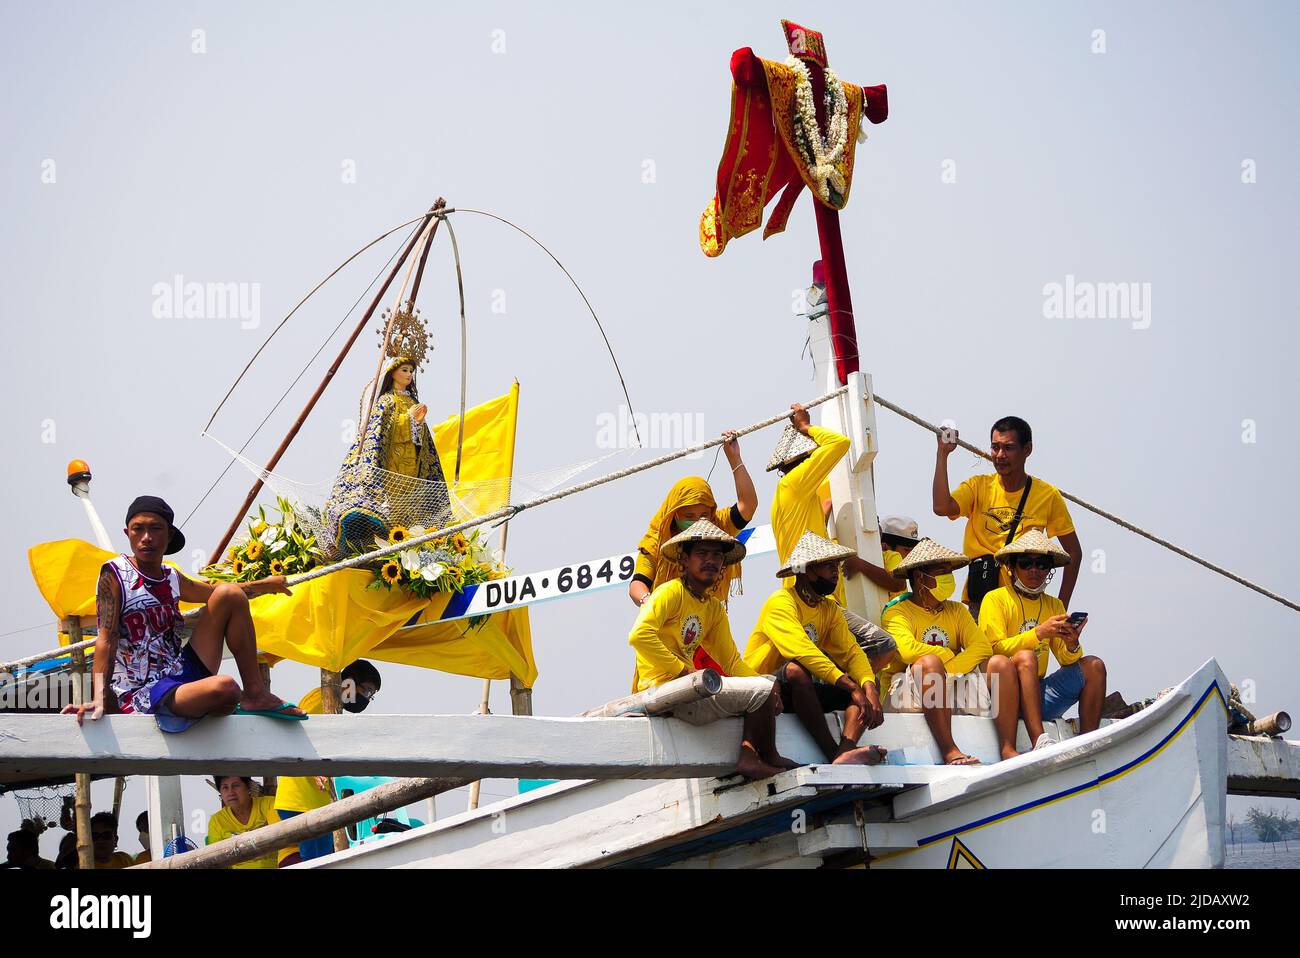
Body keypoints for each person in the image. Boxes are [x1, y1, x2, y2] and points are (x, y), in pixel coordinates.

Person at [62, 496, 303, 731]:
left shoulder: (170, 576)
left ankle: (255, 694)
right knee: (226, 687)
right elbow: (106, 639)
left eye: (155, 529)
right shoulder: (114, 574)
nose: (146, 538)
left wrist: (264, 585)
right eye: (138, 529)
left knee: (228, 594)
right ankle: (220, 700)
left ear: (169, 536)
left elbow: (214, 592)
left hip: (179, 671)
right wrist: (99, 698)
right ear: (128, 533)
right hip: (145, 692)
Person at [627, 519, 792, 780]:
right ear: (684, 560)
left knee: (764, 686)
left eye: (717, 556)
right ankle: (765, 756)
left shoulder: (713, 608)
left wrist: (767, 684)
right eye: (702, 554)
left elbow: (732, 663)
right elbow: (639, 636)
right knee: (758, 691)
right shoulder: (669, 593)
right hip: (663, 688)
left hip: (689, 690)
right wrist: (682, 671)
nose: (711, 561)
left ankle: (752, 755)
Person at [745, 531, 887, 766]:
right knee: (796, 669)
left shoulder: (828, 608)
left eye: (836, 566)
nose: (835, 573)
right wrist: (851, 687)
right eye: (828, 566)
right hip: (767, 693)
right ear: (807, 570)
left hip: (802, 693)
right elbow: (802, 651)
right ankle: (834, 755)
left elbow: (851, 651)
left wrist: (868, 686)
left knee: (868, 680)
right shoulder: (780, 602)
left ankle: (846, 751)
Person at [932, 416, 1082, 614]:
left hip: (1025, 602)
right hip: (983, 599)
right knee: (982, 646)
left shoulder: (1047, 495)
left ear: (1027, 449)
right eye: (995, 447)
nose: (1000, 455)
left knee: (1027, 646)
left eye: (1008, 448)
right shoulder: (978, 486)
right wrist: (942, 454)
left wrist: (1061, 609)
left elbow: (1074, 552)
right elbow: (942, 507)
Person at [979, 529, 1107, 754]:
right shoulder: (995, 599)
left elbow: (1068, 661)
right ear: (1011, 567)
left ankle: (1088, 742)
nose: (1034, 570)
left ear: (1049, 570)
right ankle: (1039, 739)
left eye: (1042, 564)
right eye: (1026, 563)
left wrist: (1072, 644)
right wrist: (1037, 634)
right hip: (1003, 696)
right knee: (1025, 657)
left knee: (1094, 666)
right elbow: (993, 649)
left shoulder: (1054, 604)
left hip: (1037, 694)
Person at [880, 539, 992, 766]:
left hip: (943, 686)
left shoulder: (956, 610)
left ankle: (1006, 741)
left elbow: (982, 647)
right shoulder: (896, 612)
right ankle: (948, 749)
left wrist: (947, 670)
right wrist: (945, 659)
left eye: (949, 571)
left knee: (997, 663)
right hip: (903, 694)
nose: (948, 576)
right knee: (929, 663)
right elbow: (908, 651)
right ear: (920, 577)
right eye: (942, 571)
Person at [326, 354, 450, 553]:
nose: (409, 375)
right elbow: (381, 431)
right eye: (405, 370)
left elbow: (421, 440)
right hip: (390, 463)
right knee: (390, 504)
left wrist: (417, 423)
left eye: (411, 371)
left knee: (409, 505)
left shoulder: (412, 400)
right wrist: (408, 419)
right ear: (392, 373)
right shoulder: (386, 400)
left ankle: (404, 540)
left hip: (411, 464)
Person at [629, 432, 757, 610]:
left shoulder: (718, 525)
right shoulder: (655, 540)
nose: (698, 522)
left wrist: (735, 459)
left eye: (703, 515)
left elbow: (748, 506)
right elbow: (637, 584)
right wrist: (649, 602)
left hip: (708, 621)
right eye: (689, 516)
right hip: (669, 621)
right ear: (675, 514)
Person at [274, 659, 382, 865]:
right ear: (349, 683)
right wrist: (315, 768)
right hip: (303, 800)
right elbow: (296, 735)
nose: (366, 699)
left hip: (311, 799)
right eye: (367, 691)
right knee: (320, 862)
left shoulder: (330, 701)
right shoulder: (321, 701)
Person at [207, 775, 291, 869]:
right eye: (225, 787)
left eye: (236, 786)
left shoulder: (269, 805)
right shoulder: (217, 821)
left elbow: (285, 840)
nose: (231, 792)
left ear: (248, 787)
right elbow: (218, 862)